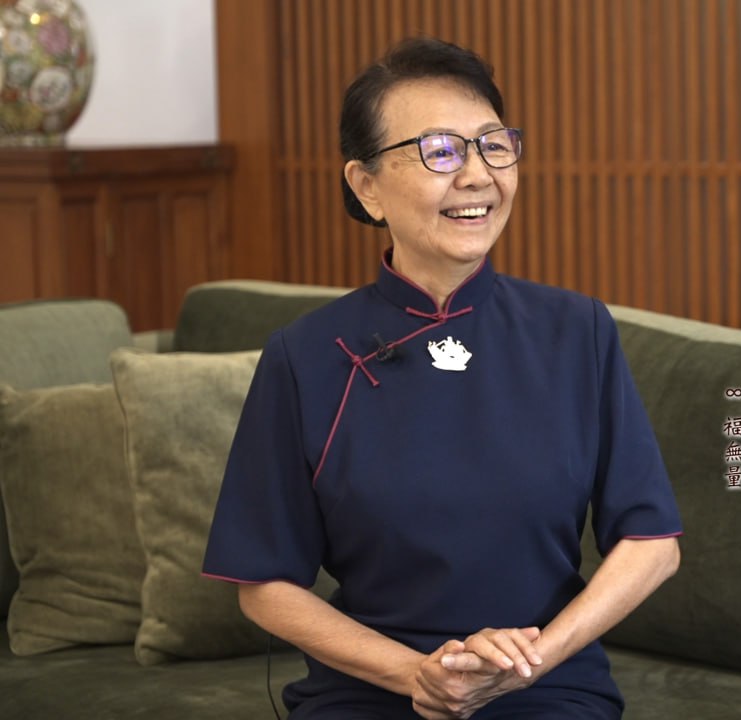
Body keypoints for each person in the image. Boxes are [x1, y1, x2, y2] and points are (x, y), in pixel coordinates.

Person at [202, 36, 682, 720]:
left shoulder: (577, 331)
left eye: (493, 144)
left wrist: (526, 663)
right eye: (440, 151)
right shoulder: (304, 355)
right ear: (366, 187)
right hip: (367, 690)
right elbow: (263, 583)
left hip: (546, 685)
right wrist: (416, 675)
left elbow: (652, 545)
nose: (478, 175)